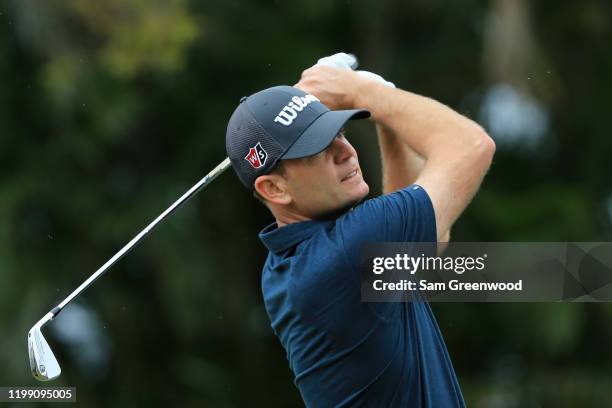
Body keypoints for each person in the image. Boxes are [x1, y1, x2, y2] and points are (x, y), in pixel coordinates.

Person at [225, 54, 495, 407]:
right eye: (319, 148)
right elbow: (471, 146)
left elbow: (427, 243)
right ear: (274, 189)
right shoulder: (343, 254)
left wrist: (385, 116)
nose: (346, 152)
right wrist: (362, 92)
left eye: (339, 132)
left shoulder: (289, 263)